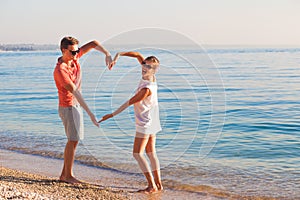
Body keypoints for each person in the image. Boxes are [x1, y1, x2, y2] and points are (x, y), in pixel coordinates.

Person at [99, 52, 163, 193]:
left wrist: (111, 114)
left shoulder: (146, 89)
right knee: (151, 153)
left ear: (154, 69)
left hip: (145, 122)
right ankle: (159, 185)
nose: (144, 68)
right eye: (144, 65)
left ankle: (151, 185)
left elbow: (129, 102)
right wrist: (119, 54)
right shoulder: (151, 78)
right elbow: (137, 55)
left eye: (148, 67)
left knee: (137, 153)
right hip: (152, 119)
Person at [53, 36, 112, 183]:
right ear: (63, 50)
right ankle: (68, 176)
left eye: (77, 51)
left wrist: (107, 54)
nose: (76, 54)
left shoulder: (75, 57)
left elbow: (94, 43)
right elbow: (76, 92)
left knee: (74, 140)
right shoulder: (61, 71)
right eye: (72, 52)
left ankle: (64, 175)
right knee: (73, 139)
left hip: (75, 105)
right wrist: (91, 114)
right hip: (68, 107)